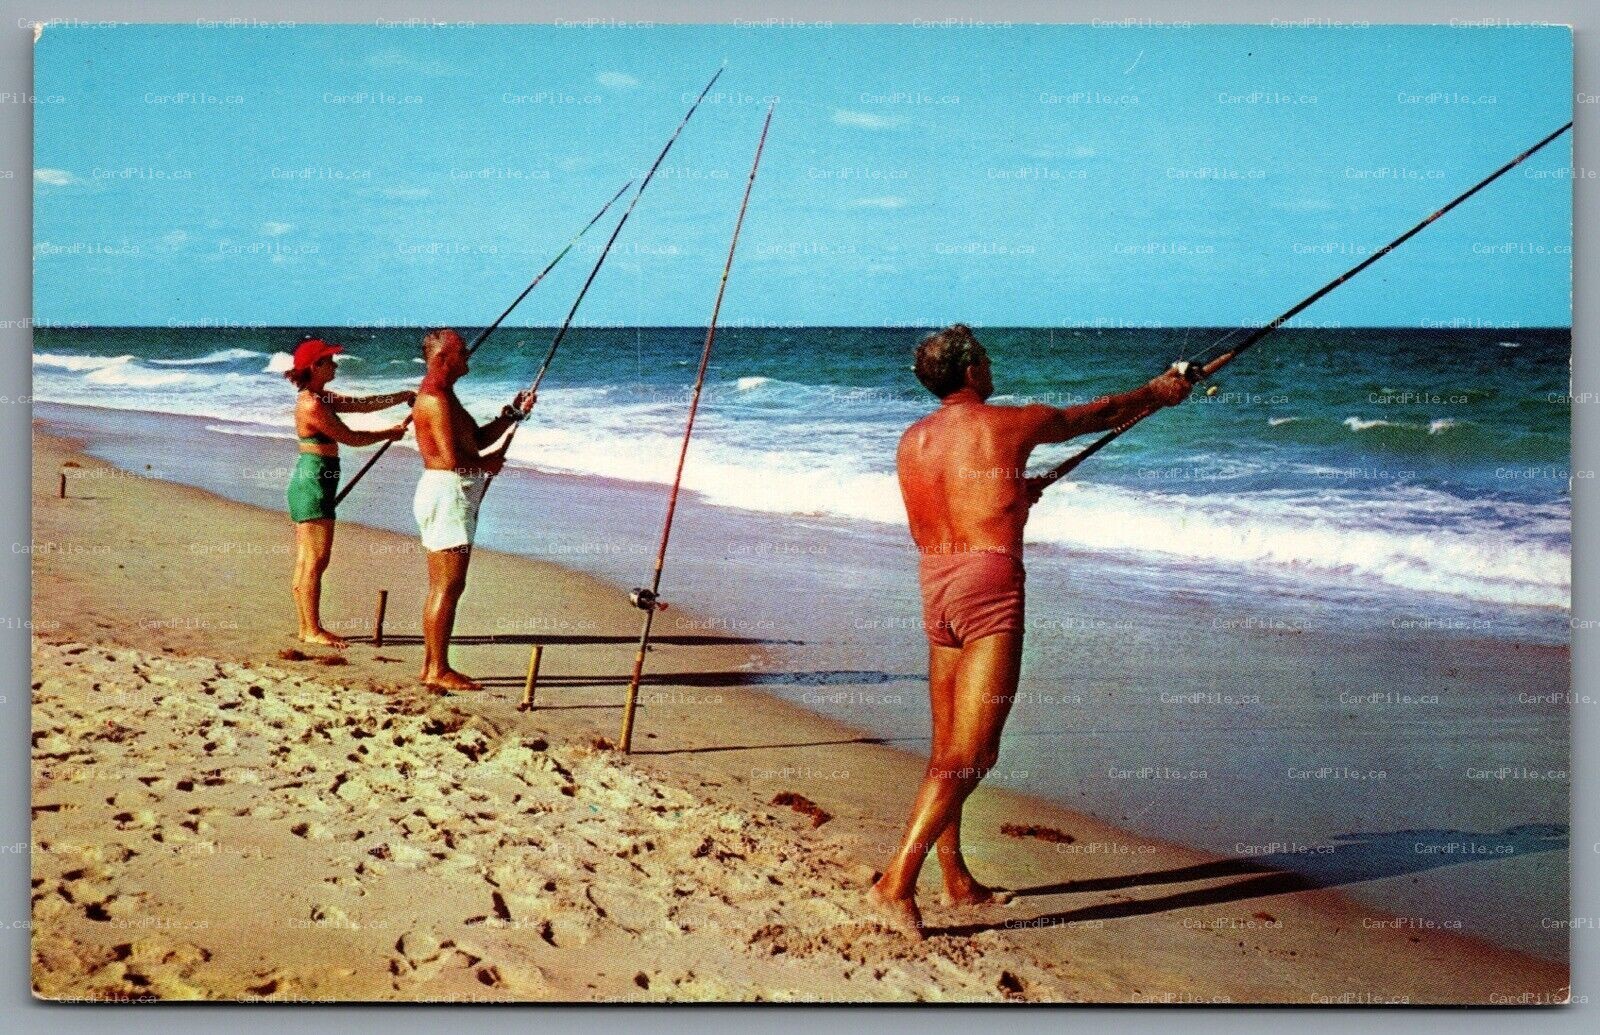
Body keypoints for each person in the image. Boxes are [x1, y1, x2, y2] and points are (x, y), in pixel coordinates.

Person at [868, 324, 1192, 938]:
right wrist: (1160, 390)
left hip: (935, 589)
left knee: (948, 751)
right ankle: (898, 881)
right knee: (976, 753)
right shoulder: (1006, 424)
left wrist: (1015, 494)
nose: (990, 366)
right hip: (988, 590)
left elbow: (953, 505)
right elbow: (1100, 414)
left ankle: (955, 875)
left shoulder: (912, 442)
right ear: (970, 373)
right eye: (984, 358)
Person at [410, 328, 536, 691]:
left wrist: (511, 415)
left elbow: (475, 440)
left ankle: (433, 665)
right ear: (442, 359)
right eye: (462, 351)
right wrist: (487, 464)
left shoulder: (446, 396)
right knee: (448, 585)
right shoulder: (435, 399)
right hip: (448, 493)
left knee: (444, 585)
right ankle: (437, 669)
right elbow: (453, 460)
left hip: (448, 493)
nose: (469, 356)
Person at [285, 336, 412, 648]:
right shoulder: (313, 405)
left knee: (307, 560)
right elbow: (351, 437)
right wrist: (390, 434)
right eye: (329, 361)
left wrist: (404, 396)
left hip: (314, 479)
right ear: (315, 367)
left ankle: (306, 628)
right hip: (314, 481)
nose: (336, 365)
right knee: (315, 560)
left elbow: (362, 405)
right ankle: (313, 629)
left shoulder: (319, 397)